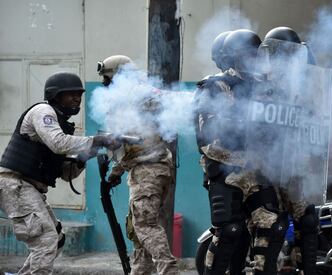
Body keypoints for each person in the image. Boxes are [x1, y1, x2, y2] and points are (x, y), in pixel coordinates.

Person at [0, 72, 119, 275]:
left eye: (79, 94)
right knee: (46, 241)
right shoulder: (43, 111)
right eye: (70, 94)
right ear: (55, 95)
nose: (76, 98)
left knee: (56, 238)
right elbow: (58, 143)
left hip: (30, 188)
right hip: (16, 184)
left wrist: (88, 154)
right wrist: (98, 141)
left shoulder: (61, 125)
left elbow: (66, 174)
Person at [195, 29, 288, 275]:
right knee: (230, 231)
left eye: (254, 54)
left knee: (275, 225)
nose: (252, 59)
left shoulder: (265, 88)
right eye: (246, 54)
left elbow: (280, 123)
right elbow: (206, 138)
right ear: (234, 57)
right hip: (227, 170)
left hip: (257, 169)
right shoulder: (215, 85)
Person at [97, 55, 179, 275]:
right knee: (140, 232)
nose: (105, 84)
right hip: (148, 169)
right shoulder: (133, 96)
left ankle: (169, 270)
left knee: (145, 226)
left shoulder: (138, 94)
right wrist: (116, 171)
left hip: (148, 170)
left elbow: (138, 141)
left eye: (108, 78)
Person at [261, 26, 319, 275]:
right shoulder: (264, 79)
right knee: (274, 224)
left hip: (295, 161)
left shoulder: (303, 79)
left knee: (307, 220)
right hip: (269, 163)